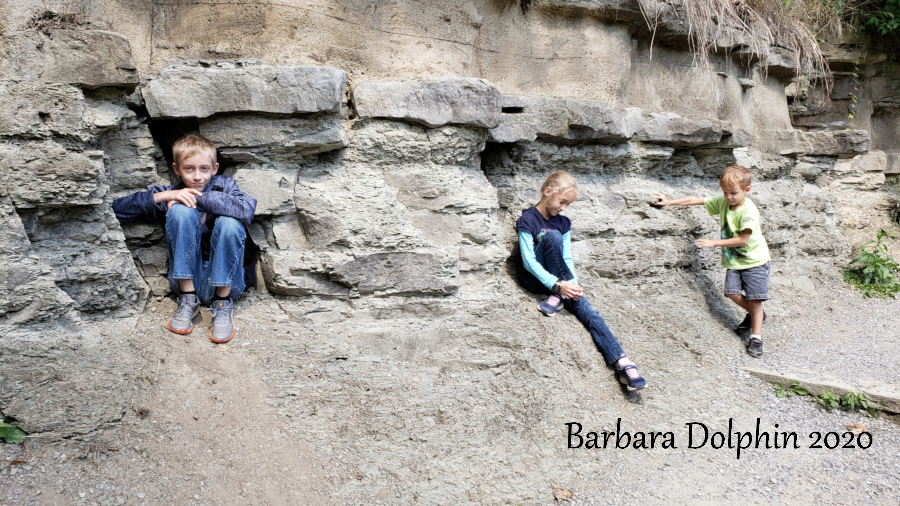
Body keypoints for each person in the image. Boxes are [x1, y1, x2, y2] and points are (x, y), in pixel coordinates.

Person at [112, 133, 257, 344]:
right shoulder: (173, 191)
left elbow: (246, 210)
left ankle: (222, 304)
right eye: (189, 169)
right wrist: (166, 197)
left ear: (215, 168)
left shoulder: (225, 186)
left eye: (204, 168)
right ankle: (188, 300)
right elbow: (115, 210)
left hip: (229, 283)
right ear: (176, 169)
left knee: (230, 222)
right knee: (180, 212)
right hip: (186, 282)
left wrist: (193, 198)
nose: (197, 176)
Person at [516, 172, 647, 390]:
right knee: (552, 237)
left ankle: (623, 362)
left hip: (560, 282)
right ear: (548, 191)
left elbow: (566, 258)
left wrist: (572, 286)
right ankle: (559, 294)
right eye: (562, 202)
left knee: (586, 309)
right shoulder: (528, 219)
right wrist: (557, 285)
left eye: (568, 204)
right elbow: (528, 261)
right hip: (535, 279)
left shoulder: (563, 222)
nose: (564, 208)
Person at [653, 165, 771, 357]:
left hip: (755, 261)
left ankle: (756, 337)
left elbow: (743, 240)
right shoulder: (725, 202)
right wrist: (669, 202)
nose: (728, 197)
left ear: (746, 190)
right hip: (735, 262)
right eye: (724, 192)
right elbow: (695, 200)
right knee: (731, 293)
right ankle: (758, 315)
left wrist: (715, 243)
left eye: (733, 193)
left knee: (754, 300)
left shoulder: (748, 212)